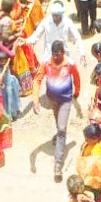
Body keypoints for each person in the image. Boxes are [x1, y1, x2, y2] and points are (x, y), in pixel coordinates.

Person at [32, 39, 81, 182]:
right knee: (58, 121)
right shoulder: (46, 63)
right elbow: (37, 80)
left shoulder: (70, 64)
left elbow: (77, 78)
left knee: (61, 129)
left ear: (63, 53)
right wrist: (35, 100)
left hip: (66, 100)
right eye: (54, 55)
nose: (56, 58)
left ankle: (58, 165)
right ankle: (60, 137)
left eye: (58, 55)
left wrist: (77, 92)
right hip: (52, 99)